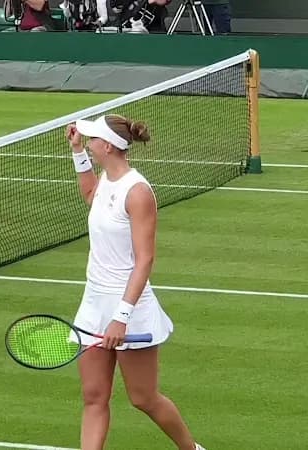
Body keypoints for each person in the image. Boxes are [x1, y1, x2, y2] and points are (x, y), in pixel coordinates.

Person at [65, 114, 206, 450]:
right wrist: (76, 153)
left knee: (143, 398)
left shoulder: (138, 192)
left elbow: (145, 260)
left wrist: (121, 317)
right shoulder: (106, 179)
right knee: (94, 397)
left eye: (92, 139)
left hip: (129, 307)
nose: (88, 141)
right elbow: (91, 197)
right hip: (94, 302)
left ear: (110, 147)